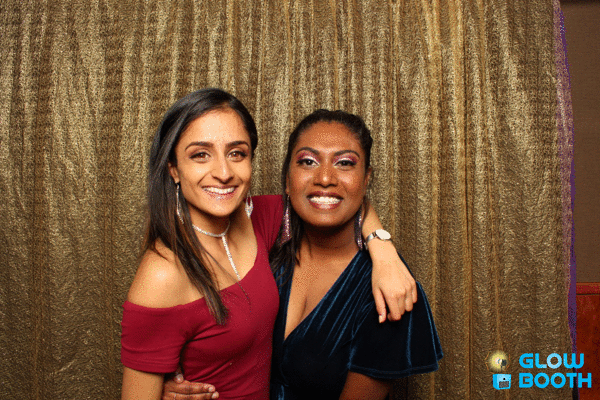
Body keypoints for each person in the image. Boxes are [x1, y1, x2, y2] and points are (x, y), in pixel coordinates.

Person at [121, 89, 417, 400]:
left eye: (237, 153)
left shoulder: (259, 218)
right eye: (200, 155)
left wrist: (384, 251)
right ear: (173, 168)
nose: (223, 173)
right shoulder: (162, 273)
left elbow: (334, 198)